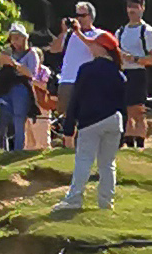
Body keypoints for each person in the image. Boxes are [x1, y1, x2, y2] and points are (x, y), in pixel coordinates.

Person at [55, 18, 131, 213]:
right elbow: (123, 106)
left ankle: (74, 198)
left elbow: (75, 100)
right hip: (114, 121)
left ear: (101, 48)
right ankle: (106, 203)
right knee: (107, 164)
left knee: (83, 160)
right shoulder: (119, 74)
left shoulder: (86, 70)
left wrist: (68, 127)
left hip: (91, 121)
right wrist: (123, 133)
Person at [116, 0, 152, 148]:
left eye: (135, 7)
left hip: (138, 73)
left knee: (137, 109)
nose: (132, 10)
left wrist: (135, 59)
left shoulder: (148, 32)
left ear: (142, 8)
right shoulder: (120, 32)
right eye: (129, 6)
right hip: (123, 73)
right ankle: (128, 140)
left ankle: (140, 141)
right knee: (125, 109)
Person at [0, 24, 38, 157]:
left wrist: (13, 64)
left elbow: (31, 73)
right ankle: (1, 150)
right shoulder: (9, 52)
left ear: (24, 38)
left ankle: (18, 152)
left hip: (21, 89)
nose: (14, 42)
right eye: (12, 38)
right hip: (6, 88)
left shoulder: (31, 54)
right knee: (0, 120)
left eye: (17, 38)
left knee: (18, 120)